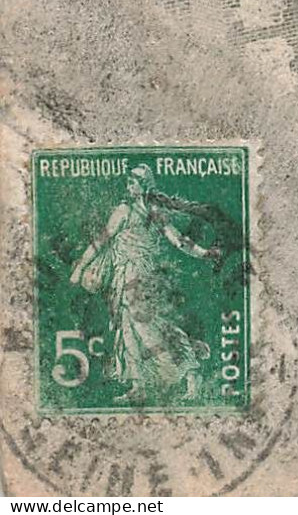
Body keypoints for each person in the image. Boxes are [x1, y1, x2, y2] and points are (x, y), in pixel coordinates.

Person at [68, 165, 221, 404]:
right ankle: (138, 384)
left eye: (132, 182)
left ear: (144, 186)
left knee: (149, 328)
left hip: (141, 278)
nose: (128, 186)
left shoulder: (152, 213)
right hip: (123, 276)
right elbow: (102, 240)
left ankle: (190, 370)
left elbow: (179, 241)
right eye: (128, 181)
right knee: (126, 328)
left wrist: (204, 253)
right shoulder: (123, 210)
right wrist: (80, 266)